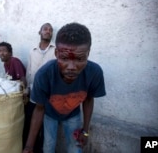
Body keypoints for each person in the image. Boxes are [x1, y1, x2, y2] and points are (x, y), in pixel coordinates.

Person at [23, 22, 106, 153]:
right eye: (65, 58)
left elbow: (88, 99)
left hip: (73, 115)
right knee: (48, 147)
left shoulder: (94, 73)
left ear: (88, 54)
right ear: (56, 53)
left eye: (79, 59)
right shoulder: (44, 75)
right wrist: (28, 147)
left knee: (75, 149)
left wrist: (85, 131)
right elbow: (39, 109)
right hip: (49, 115)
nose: (72, 67)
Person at [23, 23, 55, 153]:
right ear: (40, 32)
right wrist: (27, 90)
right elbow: (29, 71)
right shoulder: (33, 51)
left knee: (45, 127)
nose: (48, 31)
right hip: (34, 94)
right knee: (31, 123)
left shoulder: (56, 50)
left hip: (49, 95)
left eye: (50, 30)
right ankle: (31, 148)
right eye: (45, 29)